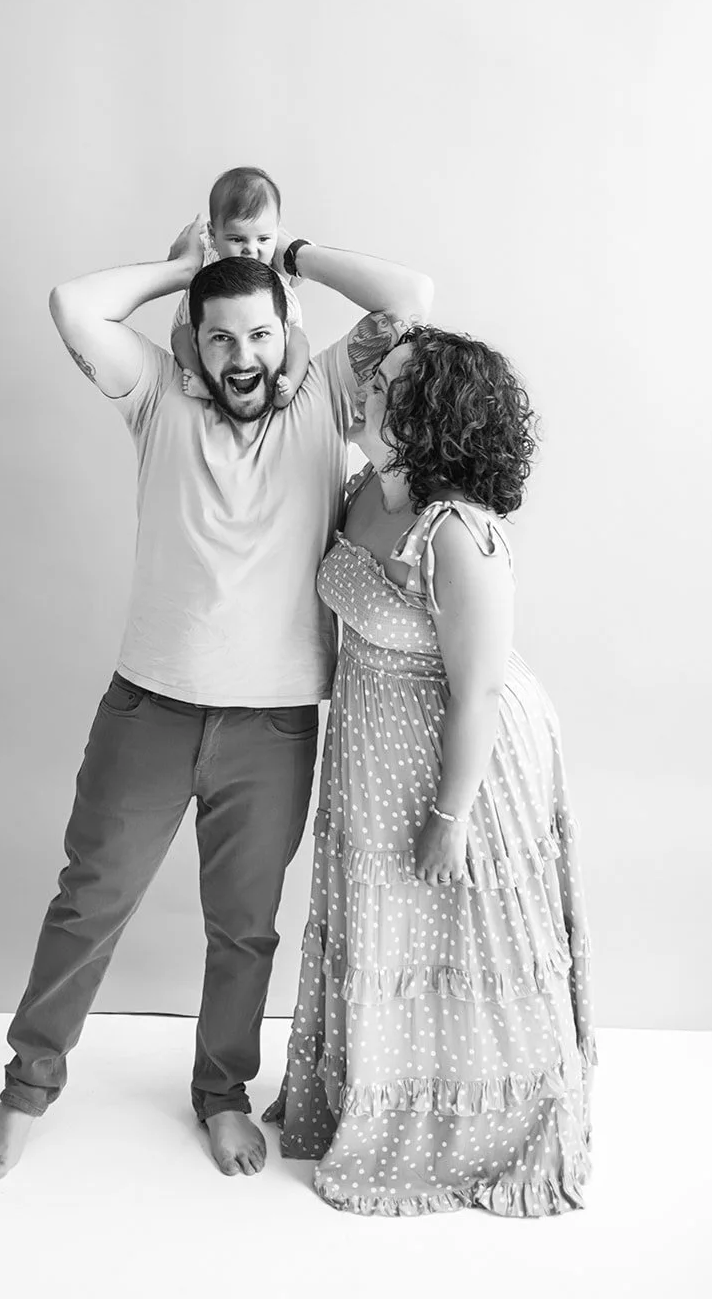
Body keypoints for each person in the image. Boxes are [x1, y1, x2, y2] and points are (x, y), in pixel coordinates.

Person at [0, 208, 433, 1183]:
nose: (241, 353)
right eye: (219, 335)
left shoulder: (325, 400)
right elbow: (71, 304)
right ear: (190, 341)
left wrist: (287, 255)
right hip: (151, 709)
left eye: (261, 333)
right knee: (89, 902)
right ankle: (26, 1088)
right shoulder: (157, 400)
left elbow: (409, 298)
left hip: (273, 723)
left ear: (290, 336)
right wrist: (186, 267)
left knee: (244, 927)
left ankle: (221, 1093)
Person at [265, 326, 595, 1216]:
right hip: (374, 748)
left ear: (432, 412)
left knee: (463, 938)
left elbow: (480, 690)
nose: (369, 387)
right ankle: (367, 1095)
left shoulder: (457, 532)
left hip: (464, 757)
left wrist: (450, 820)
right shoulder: (360, 488)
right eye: (376, 377)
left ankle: (479, 1131)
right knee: (391, 927)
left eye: (393, 383)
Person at [171, 166, 310, 407]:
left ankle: (289, 384)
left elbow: (302, 270)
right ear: (214, 234)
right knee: (181, 337)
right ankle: (206, 383)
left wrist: (289, 246)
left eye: (263, 239)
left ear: (276, 230)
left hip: (275, 315)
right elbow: (177, 262)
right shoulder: (207, 249)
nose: (251, 249)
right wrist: (185, 254)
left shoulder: (276, 254)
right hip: (207, 315)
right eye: (237, 239)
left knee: (298, 338)